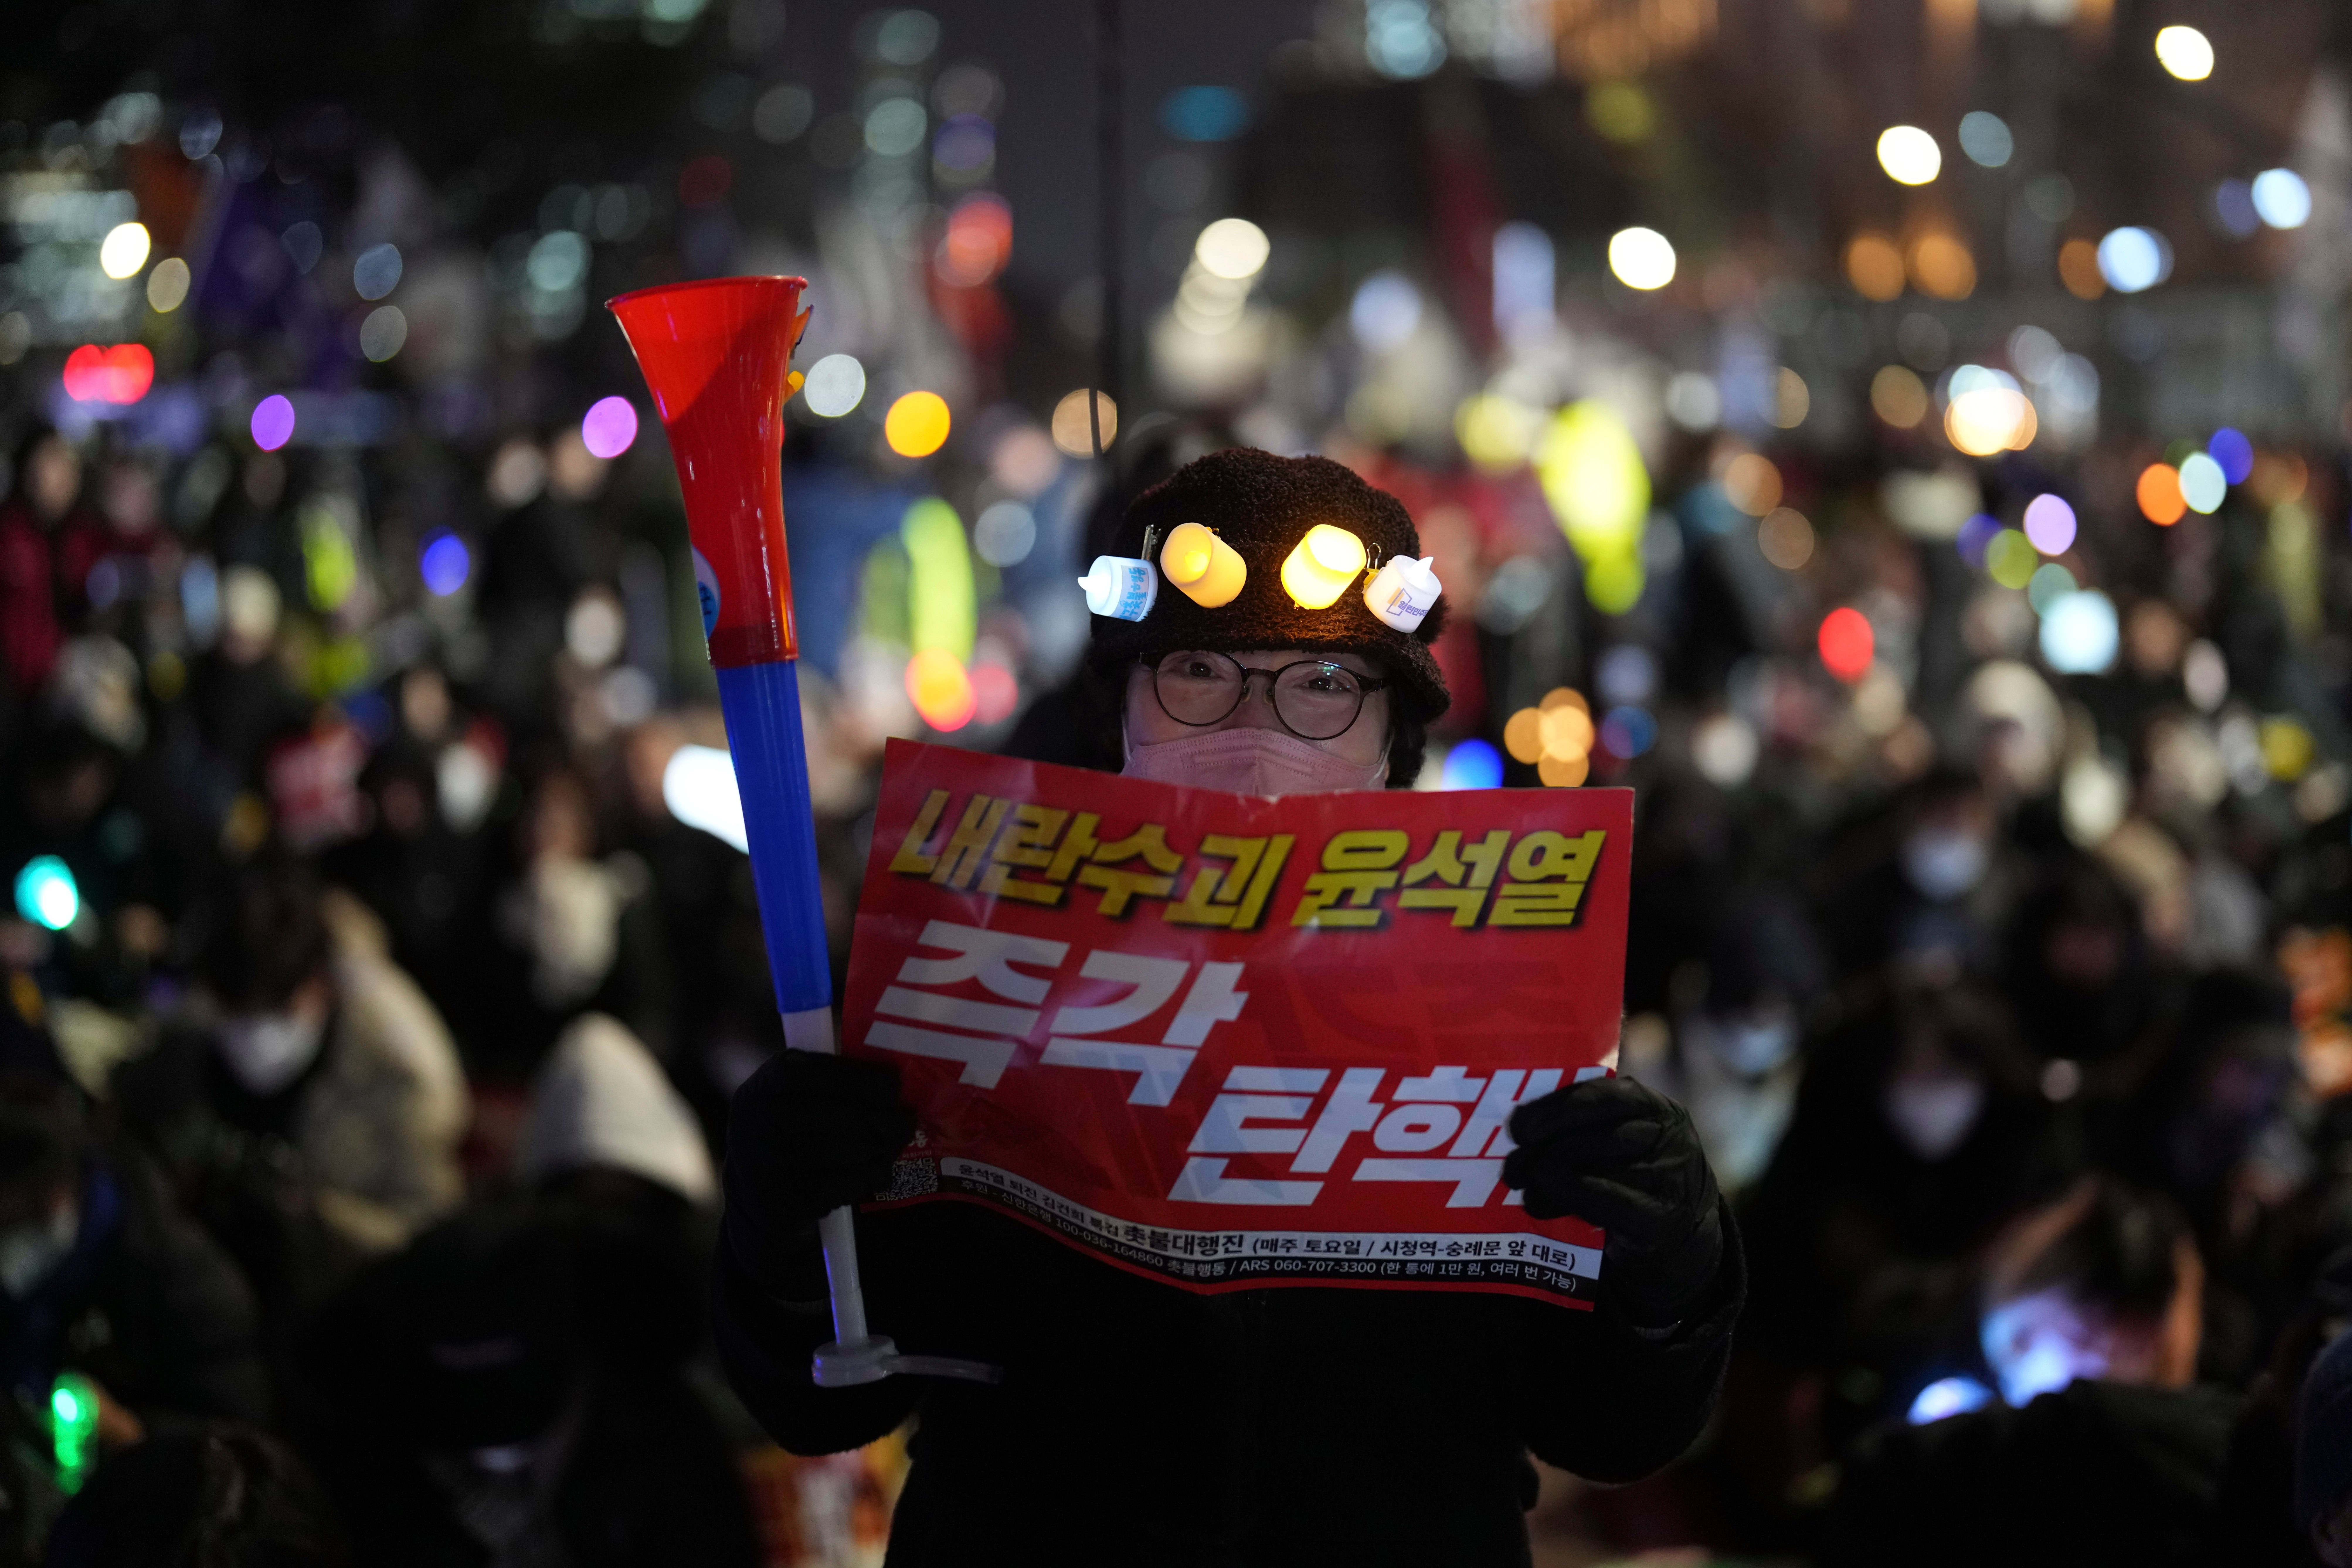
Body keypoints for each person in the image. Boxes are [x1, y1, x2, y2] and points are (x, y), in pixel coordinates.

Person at [714, 449, 1742, 1564]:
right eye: (1199, 669)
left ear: (1392, 740)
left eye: (1321, 683)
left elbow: (1618, 1429)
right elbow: (822, 1403)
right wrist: (784, 1222)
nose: (1254, 732)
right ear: (1122, 714)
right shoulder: (973, 973)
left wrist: (1667, 1263)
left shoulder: (1507, 1007)